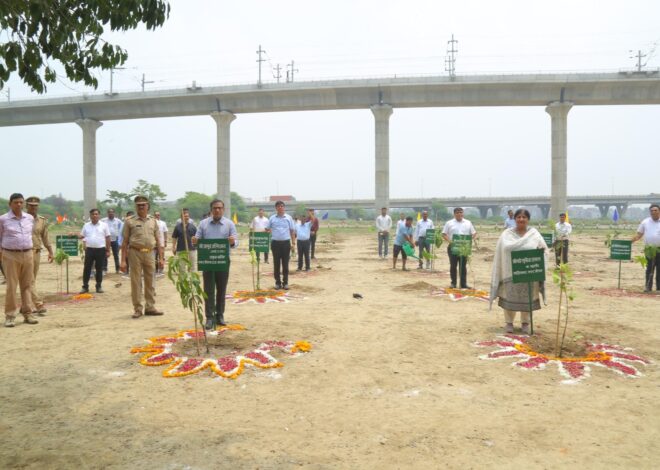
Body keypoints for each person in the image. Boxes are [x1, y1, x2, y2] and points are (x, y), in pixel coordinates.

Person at [490, 208, 548, 334]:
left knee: (528, 298)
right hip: (510, 272)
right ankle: (509, 323)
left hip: (528, 273)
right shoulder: (506, 234)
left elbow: (544, 250)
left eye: (524, 217)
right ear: (515, 219)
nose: (521, 219)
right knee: (509, 297)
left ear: (528, 219)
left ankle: (525, 323)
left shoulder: (534, 234)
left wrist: (541, 251)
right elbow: (501, 250)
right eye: (519, 217)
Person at [193, 199, 238, 329]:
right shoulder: (203, 224)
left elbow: (236, 241)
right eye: (214, 208)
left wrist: (232, 242)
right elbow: (197, 240)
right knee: (208, 290)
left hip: (223, 261)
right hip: (207, 261)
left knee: (221, 289)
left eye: (219, 208)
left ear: (223, 209)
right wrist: (195, 241)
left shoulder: (229, 224)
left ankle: (220, 315)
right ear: (211, 210)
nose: (217, 210)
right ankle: (209, 317)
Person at [120, 196, 163, 318]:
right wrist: (123, 260)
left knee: (151, 281)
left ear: (147, 206)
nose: (141, 207)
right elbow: (125, 242)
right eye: (139, 205)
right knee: (136, 281)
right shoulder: (129, 221)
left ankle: (150, 307)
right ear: (135, 207)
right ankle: (138, 308)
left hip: (150, 253)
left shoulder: (153, 221)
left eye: (143, 205)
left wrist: (161, 258)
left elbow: (158, 241)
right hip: (135, 253)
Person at [0, 193, 38, 327]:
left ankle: (28, 314)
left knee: (27, 285)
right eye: (16, 202)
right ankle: (10, 316)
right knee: (11, 286)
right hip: (10, 255)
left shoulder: (29, 218)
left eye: (21, 202)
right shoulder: (3, 219)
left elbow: (30, 235)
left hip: (28, 254)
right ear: (10, 204)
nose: (19, 205)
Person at [26, 197, 53, 315]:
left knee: (31, 281)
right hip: (24, 252)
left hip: (36, 252)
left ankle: (25, 306)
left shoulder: (41, 221)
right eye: (31, 205)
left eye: (35, 205)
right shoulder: (21, 219)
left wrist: (51, 252)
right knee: (29, 280)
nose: (33, 207)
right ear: (26, 206)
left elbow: (45, 238)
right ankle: (38, 304)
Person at [74, 209, 111, 294]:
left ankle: (98, 286)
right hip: (89, 250)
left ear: (99, 215)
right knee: (87, 268)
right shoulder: (86, 225)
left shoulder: (104, 225)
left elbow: (108, 238)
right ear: (90, 216)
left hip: (100, 249)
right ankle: (85, 287)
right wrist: (74, 234)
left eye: (96, 214)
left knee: (99, 269)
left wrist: (108, 250)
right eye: (93, 214)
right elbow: (82, 236)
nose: (94, 216)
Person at [442, 207, 477, 289]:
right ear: (454, 214)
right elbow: (444, 234)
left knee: (463, 266)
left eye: (461, 212)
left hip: (464, 248)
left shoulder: (468, 223)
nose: (459, 214)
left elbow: (474, 233)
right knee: (453, 265)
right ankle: (453, 283)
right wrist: (450, 241)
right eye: (457, 213)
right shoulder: (449, 223)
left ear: (463, 213)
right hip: (453, 247)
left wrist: (471, 239)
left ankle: (463, 284)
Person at [266, 201, 296, 290]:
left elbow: (292, 231)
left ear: (284, 207)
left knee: (285, 264)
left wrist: (293, 243)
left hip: (286, 243)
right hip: (275, 243)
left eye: (282, 206)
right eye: (278, 206)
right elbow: (267, 229)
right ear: (276, 208)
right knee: (276, 264)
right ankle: (277, 283)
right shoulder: (272, 218)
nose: (280, 208)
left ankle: (285, 283)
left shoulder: (288, 218)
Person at [632, 204, 660, 292]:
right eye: (652, 211)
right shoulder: (645, 222)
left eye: (655, 210)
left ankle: (659, 288)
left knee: (659, 269)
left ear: (659, 211)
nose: (654, 212)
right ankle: (648, 287)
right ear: (650, 212)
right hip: (649, 250)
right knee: (649, 268)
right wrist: (630, 241)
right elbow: (639, 234)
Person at [102, 208, 123, 273]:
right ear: (107, 213)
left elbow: (121, 230)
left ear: (114, 213)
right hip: (106, 240)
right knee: (105, 254)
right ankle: (104, 269)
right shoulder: (103, 220)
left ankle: (117, 269)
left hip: (115, 240)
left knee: (116, 255)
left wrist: (120, 241)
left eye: (112, 212)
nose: (111, 213)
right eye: (109, 212)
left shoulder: (118, 221)